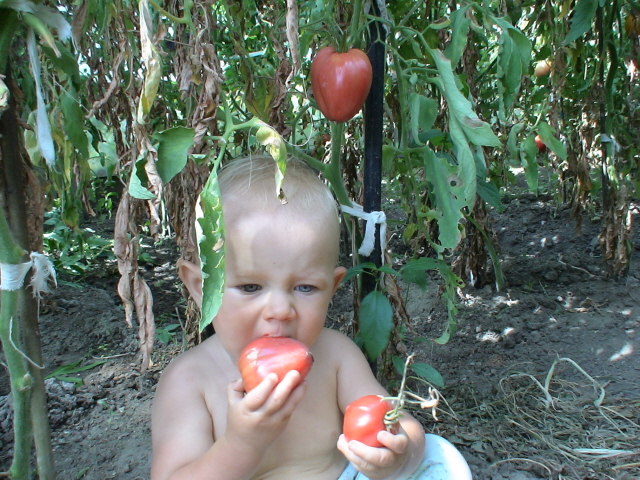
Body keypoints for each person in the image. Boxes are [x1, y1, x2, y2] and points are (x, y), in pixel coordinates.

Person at [150, 155, 472, 480]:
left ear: (331, 288)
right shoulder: (190, 380)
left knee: (435, 455)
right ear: (201, 288)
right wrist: (241, 444)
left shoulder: (335, 355)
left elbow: (399, 423)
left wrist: (397, 454)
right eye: (250, 287)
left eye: (305, 287)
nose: (280, 310)